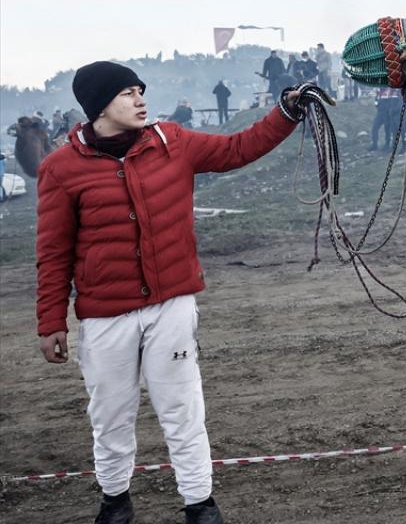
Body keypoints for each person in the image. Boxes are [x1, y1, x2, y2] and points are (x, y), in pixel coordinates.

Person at [36, 61, 304, 524]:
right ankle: (115, 502)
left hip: (171, 306)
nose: (141, 100)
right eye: (127, 93)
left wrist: (285, 112)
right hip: (104, 317)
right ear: (99, 105)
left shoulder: (173, 142)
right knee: (110, 418)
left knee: (183, 411)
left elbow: (238, 148)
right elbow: (53, 251)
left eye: (141, 90)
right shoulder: (60, 169)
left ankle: (200, 505)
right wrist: (51, 321)